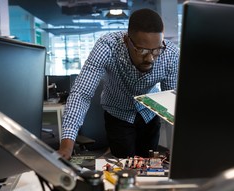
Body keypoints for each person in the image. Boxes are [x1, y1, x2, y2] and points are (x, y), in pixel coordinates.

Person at [58, 8, 180, 160]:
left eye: (156, 51)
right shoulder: (107, 46)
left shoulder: (171, 54)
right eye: (142, 51)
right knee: (123, 168)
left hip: (149, 114)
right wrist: (66, 146)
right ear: (127, 40)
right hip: (118, 115)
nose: (150, 59)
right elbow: (81, 93)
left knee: (149, 168)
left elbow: (171, 102)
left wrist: (185, 145)